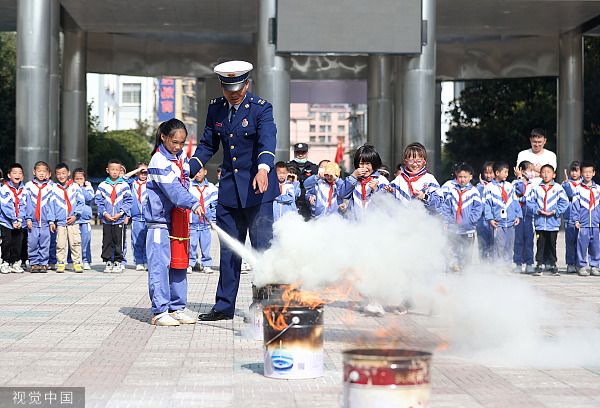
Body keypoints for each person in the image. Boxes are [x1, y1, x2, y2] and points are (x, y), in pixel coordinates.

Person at [189, 60, 278, 321]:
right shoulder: (216, 109)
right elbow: (207, 144)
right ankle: (224, 306)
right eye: (228, 89)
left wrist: (263, 168)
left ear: (247, 84)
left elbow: (267, 139)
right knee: (229, 253)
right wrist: (188, 168)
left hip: (258, 190)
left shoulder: (261, 109)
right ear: (221, 86)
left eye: (238, 88)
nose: (233, 93)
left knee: (262, 251)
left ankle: (263, 305)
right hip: (229, 192)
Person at [145, 118, 204, 326]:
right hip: (160, 222)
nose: (178, 147)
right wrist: (192, 202)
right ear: (163, 137)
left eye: (181, 142)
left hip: (179, 219)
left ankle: (177, 308)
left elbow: (184, 184)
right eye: (174, 142)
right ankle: (160, 311)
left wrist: (190, 203)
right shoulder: (158, 160)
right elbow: (173, 190)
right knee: (160, 266)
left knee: (179, 264)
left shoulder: (182, 159)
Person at [527, 164, 568, 276]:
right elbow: (530, 201)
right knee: (540, 243)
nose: (546, 175)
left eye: (548, 172)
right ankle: (539, 264)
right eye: (543, 172)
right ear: (540, 174)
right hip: (540, 223)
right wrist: (538, 210)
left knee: (551, 244)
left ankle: (552, 264)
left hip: (553, 223)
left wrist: (554, 211)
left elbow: (564, 202)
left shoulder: (558, 188)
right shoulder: (536, 188)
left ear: (554, 175)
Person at [441, 163, 482, 272]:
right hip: (453, 228)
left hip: (468, 229)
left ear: (470, 177)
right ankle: (445, 268)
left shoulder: (474, 192)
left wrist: (471, 221)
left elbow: (478, 208)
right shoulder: (452, 190)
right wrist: (447, 221)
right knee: (450, 249)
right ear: (456, 176)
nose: (462, 179)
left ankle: (466, 270)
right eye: (460, 177)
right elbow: (446, 207)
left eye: (465, 177)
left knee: (467, 251)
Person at [95, 159, 133, 273]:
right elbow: (98, 201)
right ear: (107, 170)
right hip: (107, 219)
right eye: (112, 169)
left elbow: (129, 201)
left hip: (119, 219)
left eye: (117, 170)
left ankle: (118, 261)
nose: (115, 172)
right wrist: (104, 213)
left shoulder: (124, 185)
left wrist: (121, 213)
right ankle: (108, 261)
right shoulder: (102, 185)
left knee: (119, 241)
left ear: (121, 170)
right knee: (107, 241)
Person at [483, 161, 522, 268]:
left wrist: (518, 215)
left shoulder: (509, 186)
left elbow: (515, 201)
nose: (506, 174)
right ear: (497, 172)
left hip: (510, 221)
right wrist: (490, 218)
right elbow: (487, 205)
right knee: (499, 245)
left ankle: (507, 265)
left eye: (507, 172)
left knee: (509, 245)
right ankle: (498, 265)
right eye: (505, 172)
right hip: (498, 222)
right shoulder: (489, 187)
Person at [339, 143, 389, 222]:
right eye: (361, 164)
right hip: (354, 225)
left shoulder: (381, 180)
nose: (364, 167)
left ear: (374, 163)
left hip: (374, 225)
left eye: (367, 164)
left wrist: (376, 190)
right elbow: (342, 194)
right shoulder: (353, 179)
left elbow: (385, 204)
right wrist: (354, 176)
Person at [387, 142, 442, 211]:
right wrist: (389, 192)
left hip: (424, 220)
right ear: (405, 161)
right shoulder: (399, 179)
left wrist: (425, 196)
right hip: (402, 219)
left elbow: (439, 201)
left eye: (418, 161)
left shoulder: (429, 178)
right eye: (411, 161)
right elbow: (390, 203)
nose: (415, 164)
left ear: (424, 161)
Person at [53, 163, 84, 273]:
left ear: (69, 173)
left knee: (75, 243)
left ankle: (77, 263)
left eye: (64, 173)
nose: (61, 176)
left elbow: (81, 202)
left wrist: (76, 215)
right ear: (55, 175)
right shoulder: (55, 188)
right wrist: (51, 220)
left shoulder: (75, 187)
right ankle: (61, 263)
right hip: (61, 222)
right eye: (59, 174)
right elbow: (52, 206)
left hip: (73, 222)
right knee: (60, 244)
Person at [570, 162, 600, 277]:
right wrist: (576, 220)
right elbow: (575, 207)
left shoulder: (598, 189)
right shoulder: (578, 189)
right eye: (585, 172)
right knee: (582, 245)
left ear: (593, 173)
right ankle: (582, 266)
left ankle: (594, 266)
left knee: (595, 246)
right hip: (583, 223)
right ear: (581, 173)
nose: (587, 175)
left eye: (589, 172)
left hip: (595, 223)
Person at [25, 161, 55, 273]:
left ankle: (43, 263)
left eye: (44, 171)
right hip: (33, 221)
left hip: (46, 222)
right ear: (34, 172)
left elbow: (52, 205)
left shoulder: (51, 186)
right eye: (39, 171)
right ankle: (34, 263)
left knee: (45, 243)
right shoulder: (28, 186)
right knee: (32, 242)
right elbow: (27, 204)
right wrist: (28, 218)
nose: (41, 174)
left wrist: (51, 220)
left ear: (47, 172)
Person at [189, 167, 218, 274]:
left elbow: (214, 206)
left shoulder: (212, 188)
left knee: (206, 245)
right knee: (191, 244)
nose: (197, 175)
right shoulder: (189, 187)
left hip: (206, 223)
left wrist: (214, 220)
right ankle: (190, 264)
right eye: (195, 173)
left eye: (200, 172)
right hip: (192, 223)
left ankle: (206, 264)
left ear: (205, 172)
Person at [0, 163, 27, 273]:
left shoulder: (24, 190)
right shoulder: (4, 189)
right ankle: (5, 262)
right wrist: (13, 219)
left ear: (23, 176)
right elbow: (6, 206)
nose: (17, 175)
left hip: (19, 222)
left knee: (18, 242)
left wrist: (20, 219)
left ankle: (16, 262)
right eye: (14, 173)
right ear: (9, 175)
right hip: (6, 222)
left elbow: (24, 206)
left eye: (20, 173)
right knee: (7, 242)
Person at [512, 161, 536, 274]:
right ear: (522, 171)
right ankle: (518, 263)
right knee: (518, 241)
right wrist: (520, 179)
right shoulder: (514, 183)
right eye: (529, 170)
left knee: (529, 241)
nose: (531, 172)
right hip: (518, 217)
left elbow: (531, 200)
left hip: (529, 218)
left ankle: (529, 263)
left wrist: (523, 199)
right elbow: (520, 192)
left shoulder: (533, 186)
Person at [287, 142, 318, 220]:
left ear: (307, 153)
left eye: (303, 153)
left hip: (307, 204)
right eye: (298, 152)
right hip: (292, 203)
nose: (300, 155)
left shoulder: (313, 168)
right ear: (294, 153)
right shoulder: (288, 166)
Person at [127, 162, 149, 271]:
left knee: (148, 240)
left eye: (145, 172)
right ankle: (139, 261)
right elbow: (124, 178)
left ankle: (147, 260)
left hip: (148, 218)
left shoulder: (150, 183)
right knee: (137, 241)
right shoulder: (132, 183)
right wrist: (138, 170)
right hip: (136, 218)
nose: (143, 174)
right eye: (141, 172)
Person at [562, 161, 582, 273]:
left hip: (582, 218)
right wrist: (565, 183)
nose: (574, 173)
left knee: (581, 241)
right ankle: (570, 263)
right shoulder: (565, 183)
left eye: (576, 170)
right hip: (569, 217)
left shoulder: (584, 184)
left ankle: (580, 263)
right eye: (572, 170)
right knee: (570, 241)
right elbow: (569, 195)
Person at [73, 168, 94, 270]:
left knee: (86, 242)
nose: (78, 181)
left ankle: (86, 260)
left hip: (85, 221)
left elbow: (89, 198)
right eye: (76, 179)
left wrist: (82, 188)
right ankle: (71, 260)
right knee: (73, 242)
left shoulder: (88, 188)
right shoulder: (71, 188)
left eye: (81, 179)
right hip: (74, 220)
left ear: (85, 179)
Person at [476, 161, 495, 260]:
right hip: (482, 219)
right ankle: (483, 261)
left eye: (491, 172)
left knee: (494, 242)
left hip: (495, 218)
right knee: (482, 241)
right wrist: (483, 186)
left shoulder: (498, 186)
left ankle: (493, 261)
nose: (488, 175)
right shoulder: (479, 186)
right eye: (486, 173)